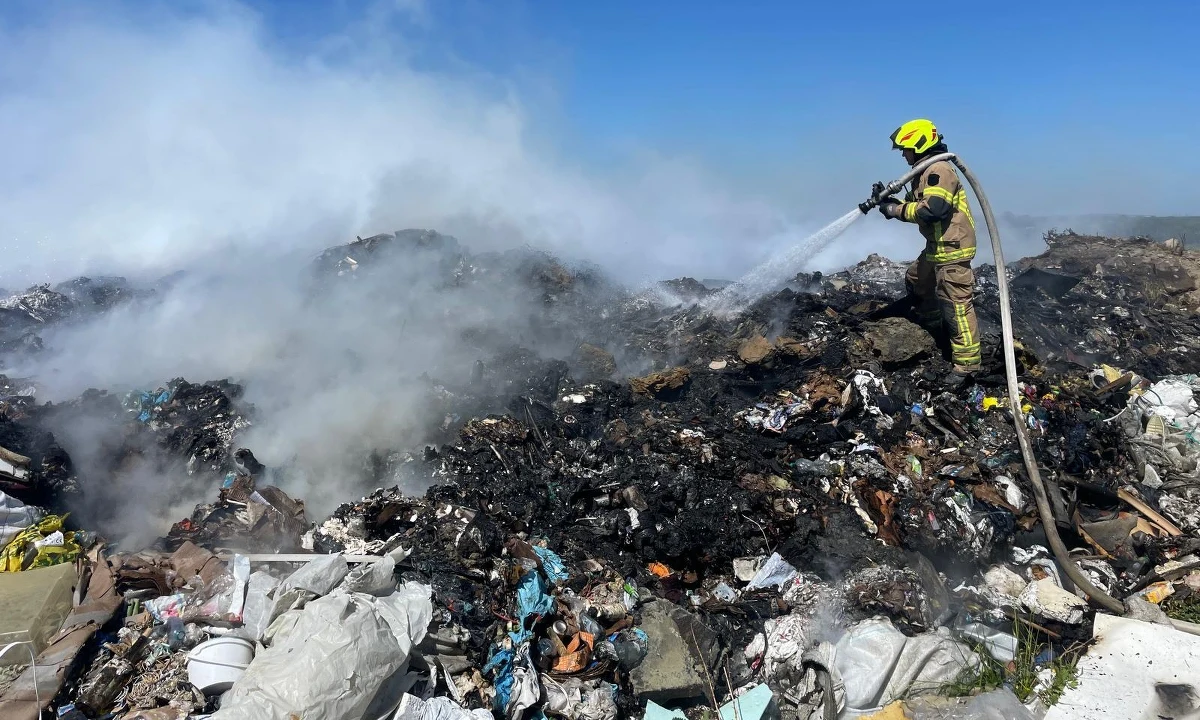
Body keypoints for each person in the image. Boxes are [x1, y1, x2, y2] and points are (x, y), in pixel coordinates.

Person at [877, 118, 980, 381]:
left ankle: (966, 366)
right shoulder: (925, 173)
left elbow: (933, 210)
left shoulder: (939, 170)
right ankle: (934, 328)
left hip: (952, 249)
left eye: (905, 149)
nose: (903, 154)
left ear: (919, 145)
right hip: (937, 247)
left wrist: (894, 210)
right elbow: (916, 203)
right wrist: (889, 201)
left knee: (956, 305)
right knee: (917, 280)